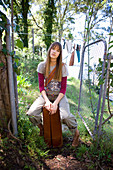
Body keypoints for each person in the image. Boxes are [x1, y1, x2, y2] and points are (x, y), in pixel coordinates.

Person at [26, 42, 79, 147]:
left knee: (66, 116)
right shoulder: (42, 66)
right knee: (31, 113)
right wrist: (46, 101)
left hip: (59, 96)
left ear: (60, 54)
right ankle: (42, 128)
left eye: (58, 50)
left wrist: (55, 103)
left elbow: (63, 89)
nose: (55, 52)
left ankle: (76, 134)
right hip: (46, 95)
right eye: (53, 49)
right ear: (49, 50)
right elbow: (41, 87)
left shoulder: (62, 67)